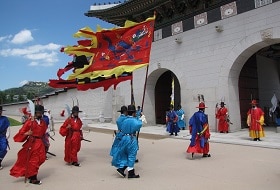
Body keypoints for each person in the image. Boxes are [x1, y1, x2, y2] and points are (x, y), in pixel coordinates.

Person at [10, 105, 48, 185]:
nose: (39, 114)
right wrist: (27, 133)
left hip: (40, 143)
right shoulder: (30, 122)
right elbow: (21, 132)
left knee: (42, 158)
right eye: (38, 112)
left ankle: (30, 173)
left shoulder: (43, 122)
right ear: (35, 112)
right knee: (34, 160)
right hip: (32, 143)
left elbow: (44, 132)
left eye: (41, 112)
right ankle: (33, 178)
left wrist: (45, 141)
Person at [111, 104, 142, 179]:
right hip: (131, 139)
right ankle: (131, 173)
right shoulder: (133, 120)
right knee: (132, 154)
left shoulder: (125, 120)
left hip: (124, 137)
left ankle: (122, 169)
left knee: (125, 154)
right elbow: (138, 126)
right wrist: (140, 119)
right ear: (134, 113)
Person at [0, 106, 10, 170]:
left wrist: (7, 135)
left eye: (0, 111)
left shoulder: (5, 119)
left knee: (4, 148)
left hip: (2, 136)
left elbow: (8, 127)